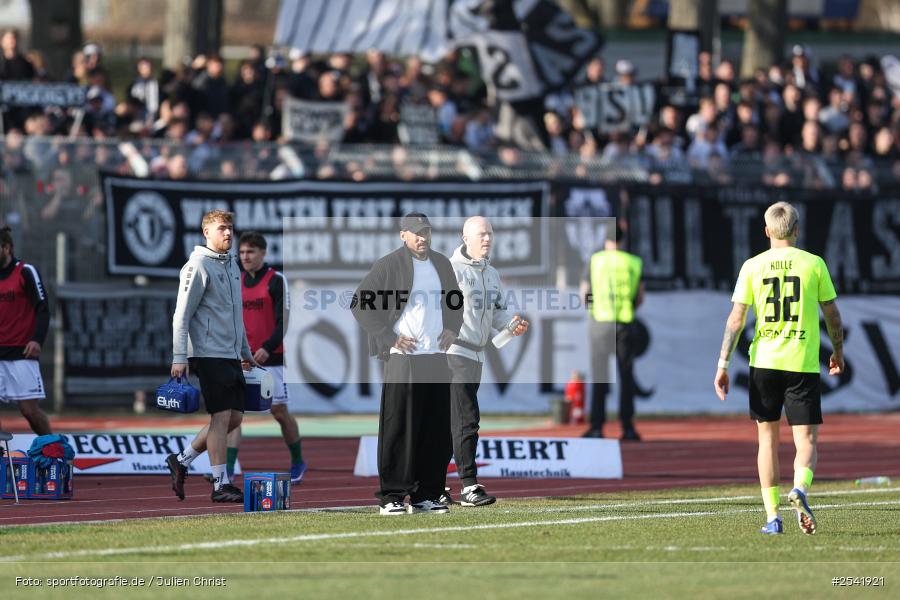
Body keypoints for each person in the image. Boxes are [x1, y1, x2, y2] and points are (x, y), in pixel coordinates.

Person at [714, 201, 844, 535]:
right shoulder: (813, 264)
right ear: (797, 230)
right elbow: (831, 313)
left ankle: (773, 517)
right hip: (800, 362)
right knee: (807, 441)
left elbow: (736, 319)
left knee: (766, 442)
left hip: (764, 363)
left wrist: (723, 363)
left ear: (767, 231)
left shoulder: (752, 266)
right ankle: (800, 488)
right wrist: (838, 351)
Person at [351, 213, 463, 515]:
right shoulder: (389, 264)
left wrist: (453, 327)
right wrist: (388, 337)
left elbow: (455, 301)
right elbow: (360, 302)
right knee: (399, 429)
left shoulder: (441, 264)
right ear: (403, 235)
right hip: (404, 361)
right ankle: (392, 496)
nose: (422, 237)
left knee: (436, 430)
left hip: (436, 359)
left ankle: (427, 493)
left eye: (425, 232)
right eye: (416, 233)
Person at [166, 210, 255, 503]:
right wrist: (180, 356)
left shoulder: (231, 264)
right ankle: (220, 484)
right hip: (207, 352)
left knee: (235, 418)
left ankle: (182, 459)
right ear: (206, 232)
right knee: (220, 417)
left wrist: (244, 351)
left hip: (229, 353)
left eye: (230, 228)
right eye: (221, 229)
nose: (228, 233)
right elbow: (181, 315)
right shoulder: (198, 264)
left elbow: (235, 313)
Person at [442, 216, 528, 507]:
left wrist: (511, 324)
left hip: (476, 353)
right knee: (467, 419)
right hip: (454, 353)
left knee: (450, 422)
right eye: (481, 234)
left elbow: (498, 311)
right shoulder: (450, 271)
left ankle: (435, 484)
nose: (488, 239)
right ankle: (468, 486)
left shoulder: (491, 273)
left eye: (490, 233)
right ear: (465, 238)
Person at [218, 231, 307, 484]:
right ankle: (230, 468)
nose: (245, 257)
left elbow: (284, 321)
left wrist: (268, 347)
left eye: (250, 252)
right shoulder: (236, 279)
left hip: (271, 358)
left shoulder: (276, 280)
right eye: (242, 252)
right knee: (234, 413)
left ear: (263, 253)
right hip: (242, 358)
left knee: (279, 411)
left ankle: (298, 461)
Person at [581, 224, 644, 440]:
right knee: (626, 377)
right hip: (625, 322)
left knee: (599, 377)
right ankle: (627, 427)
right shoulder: (634, 262)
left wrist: (592, 308)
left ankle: (597, 427)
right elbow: (640, 296)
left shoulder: (595, 260)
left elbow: (585, 293)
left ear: (605, 239)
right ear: (623, 239)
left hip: (600, 322)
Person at [0, 225, 53, 435]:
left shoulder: (25, 271)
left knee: (29, 410)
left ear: (6, 248)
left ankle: (54, 451)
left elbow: (42, 308)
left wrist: (37, 340)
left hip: (22, 353)